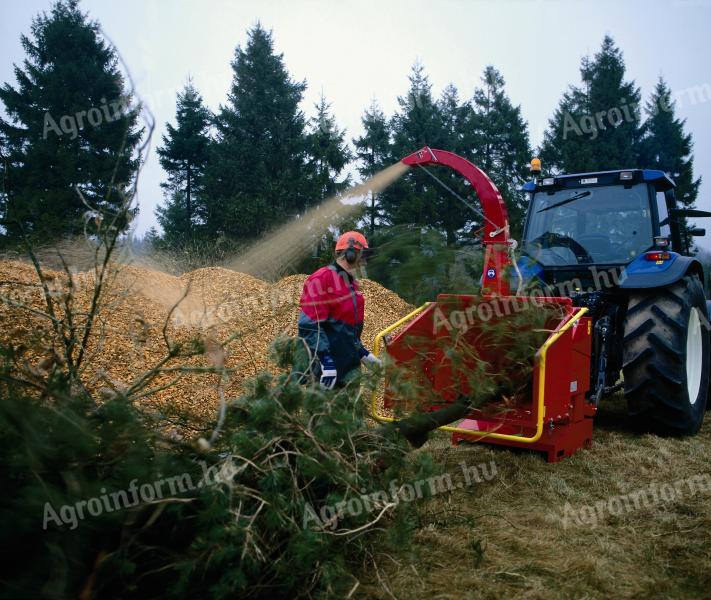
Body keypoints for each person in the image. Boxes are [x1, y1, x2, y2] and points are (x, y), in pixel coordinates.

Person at [297, 231, 381, 389]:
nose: (365, 261)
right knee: (322, 413)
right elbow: (309, 325)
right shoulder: (322, 279)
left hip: (349, 371)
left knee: (350, 413)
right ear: (350, 254)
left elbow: (347, 331)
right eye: (363, 255)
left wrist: (363, 354)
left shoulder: (352, 285)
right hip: (326, 373)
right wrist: (326, 361)